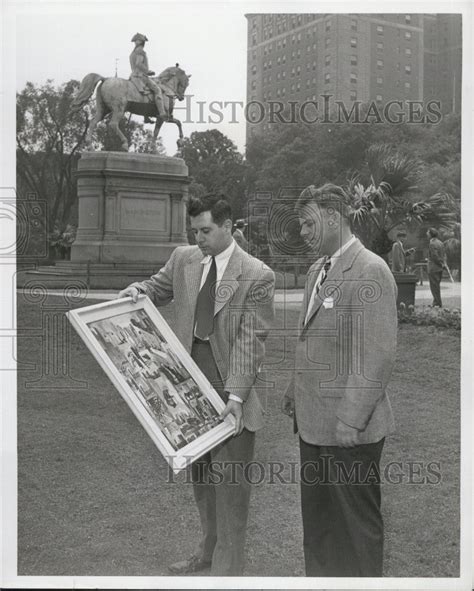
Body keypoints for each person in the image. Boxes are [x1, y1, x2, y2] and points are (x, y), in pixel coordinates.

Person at [118, 193, 275, 576]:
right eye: (194, 231)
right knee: (203, 479)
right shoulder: (183, 259)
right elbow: (156, 288)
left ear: (227, 226)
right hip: (186, 389)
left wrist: (235, 396)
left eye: (206, 231)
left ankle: (226, 572)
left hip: (230, 388)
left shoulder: (257, 274)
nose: (199, 239)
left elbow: (249, 341)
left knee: (230, 487)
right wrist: (138, 290)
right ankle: (207, 553)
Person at [282, 183, 398, 577]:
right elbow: (312, 337)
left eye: (307, 223)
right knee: (319, 530)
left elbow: (377, 354)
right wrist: (293, 388)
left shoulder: (370, 270)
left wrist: (351, 419)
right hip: (313, 429)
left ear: (334, 217)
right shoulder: (318, 268)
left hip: (350, 433)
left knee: (356, 534)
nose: (303, 233)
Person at [129, 32, 169, 122]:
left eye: (136, 41)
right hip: (141, 76)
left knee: (147, 93)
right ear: (143, 42)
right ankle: (162, 113)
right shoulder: (140, 51)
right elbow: (138, 63)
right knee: (157, 90)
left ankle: (146, 116)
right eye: (136, 41)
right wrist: (148, 71)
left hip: (133, 76)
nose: (136, 42)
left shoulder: (133, 53)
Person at [426, 227, 446, 307]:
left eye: (428, 232)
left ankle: (438, 303)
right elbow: (443, 255)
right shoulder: (440, 243)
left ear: (431, 234)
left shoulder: (432, 243)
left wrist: (440, 263)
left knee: (434, 287)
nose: (426, 234)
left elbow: (434, 256)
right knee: (436, 286)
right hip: (439, 268)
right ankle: (436, 302)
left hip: (434, 268)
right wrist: (443, 263)